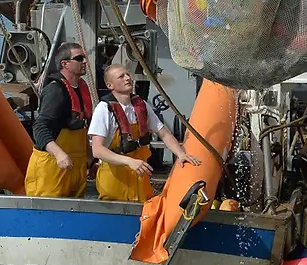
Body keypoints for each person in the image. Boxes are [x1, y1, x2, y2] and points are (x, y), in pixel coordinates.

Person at [88, 64, 201, 202]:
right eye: (121, 76)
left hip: (140, 180)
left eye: (127, 74)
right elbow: (97, 150)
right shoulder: (104, 109)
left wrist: (181, 154)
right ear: (110, 85)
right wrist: (129, 161)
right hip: (115, 182)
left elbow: (164, 133)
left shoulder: (140, 105)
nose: (127, 78)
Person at [24, 42, 93, 198]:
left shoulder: (82, 89)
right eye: (79, 58)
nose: (85, 61)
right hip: (52, 169)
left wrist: (89, 158)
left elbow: (83, 127)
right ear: (65, 64)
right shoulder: (55, 91)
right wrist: (59, 154)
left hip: (74, 168)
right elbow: (40, 128)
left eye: (85, 57)